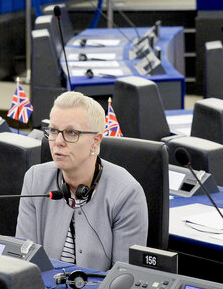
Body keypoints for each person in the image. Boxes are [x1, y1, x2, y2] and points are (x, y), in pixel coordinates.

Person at [16, 92, 148, 271]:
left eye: (71, 133)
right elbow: (24, 259)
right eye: (54, 131)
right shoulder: (35, 179)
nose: (58, 142)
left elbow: (122, 279)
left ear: (95, 141)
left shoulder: (127, 193)